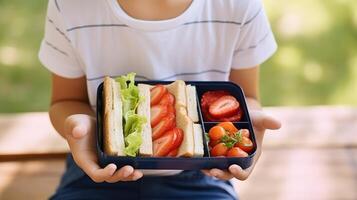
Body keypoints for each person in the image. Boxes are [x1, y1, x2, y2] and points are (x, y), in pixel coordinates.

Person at [39, 0, 281, 199]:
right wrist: (83, 131)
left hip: (201, 176)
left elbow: (247, 96)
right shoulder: (70, 6)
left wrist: (248, 123)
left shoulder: (240, 7)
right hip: (94, 170)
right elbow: (65, 101)